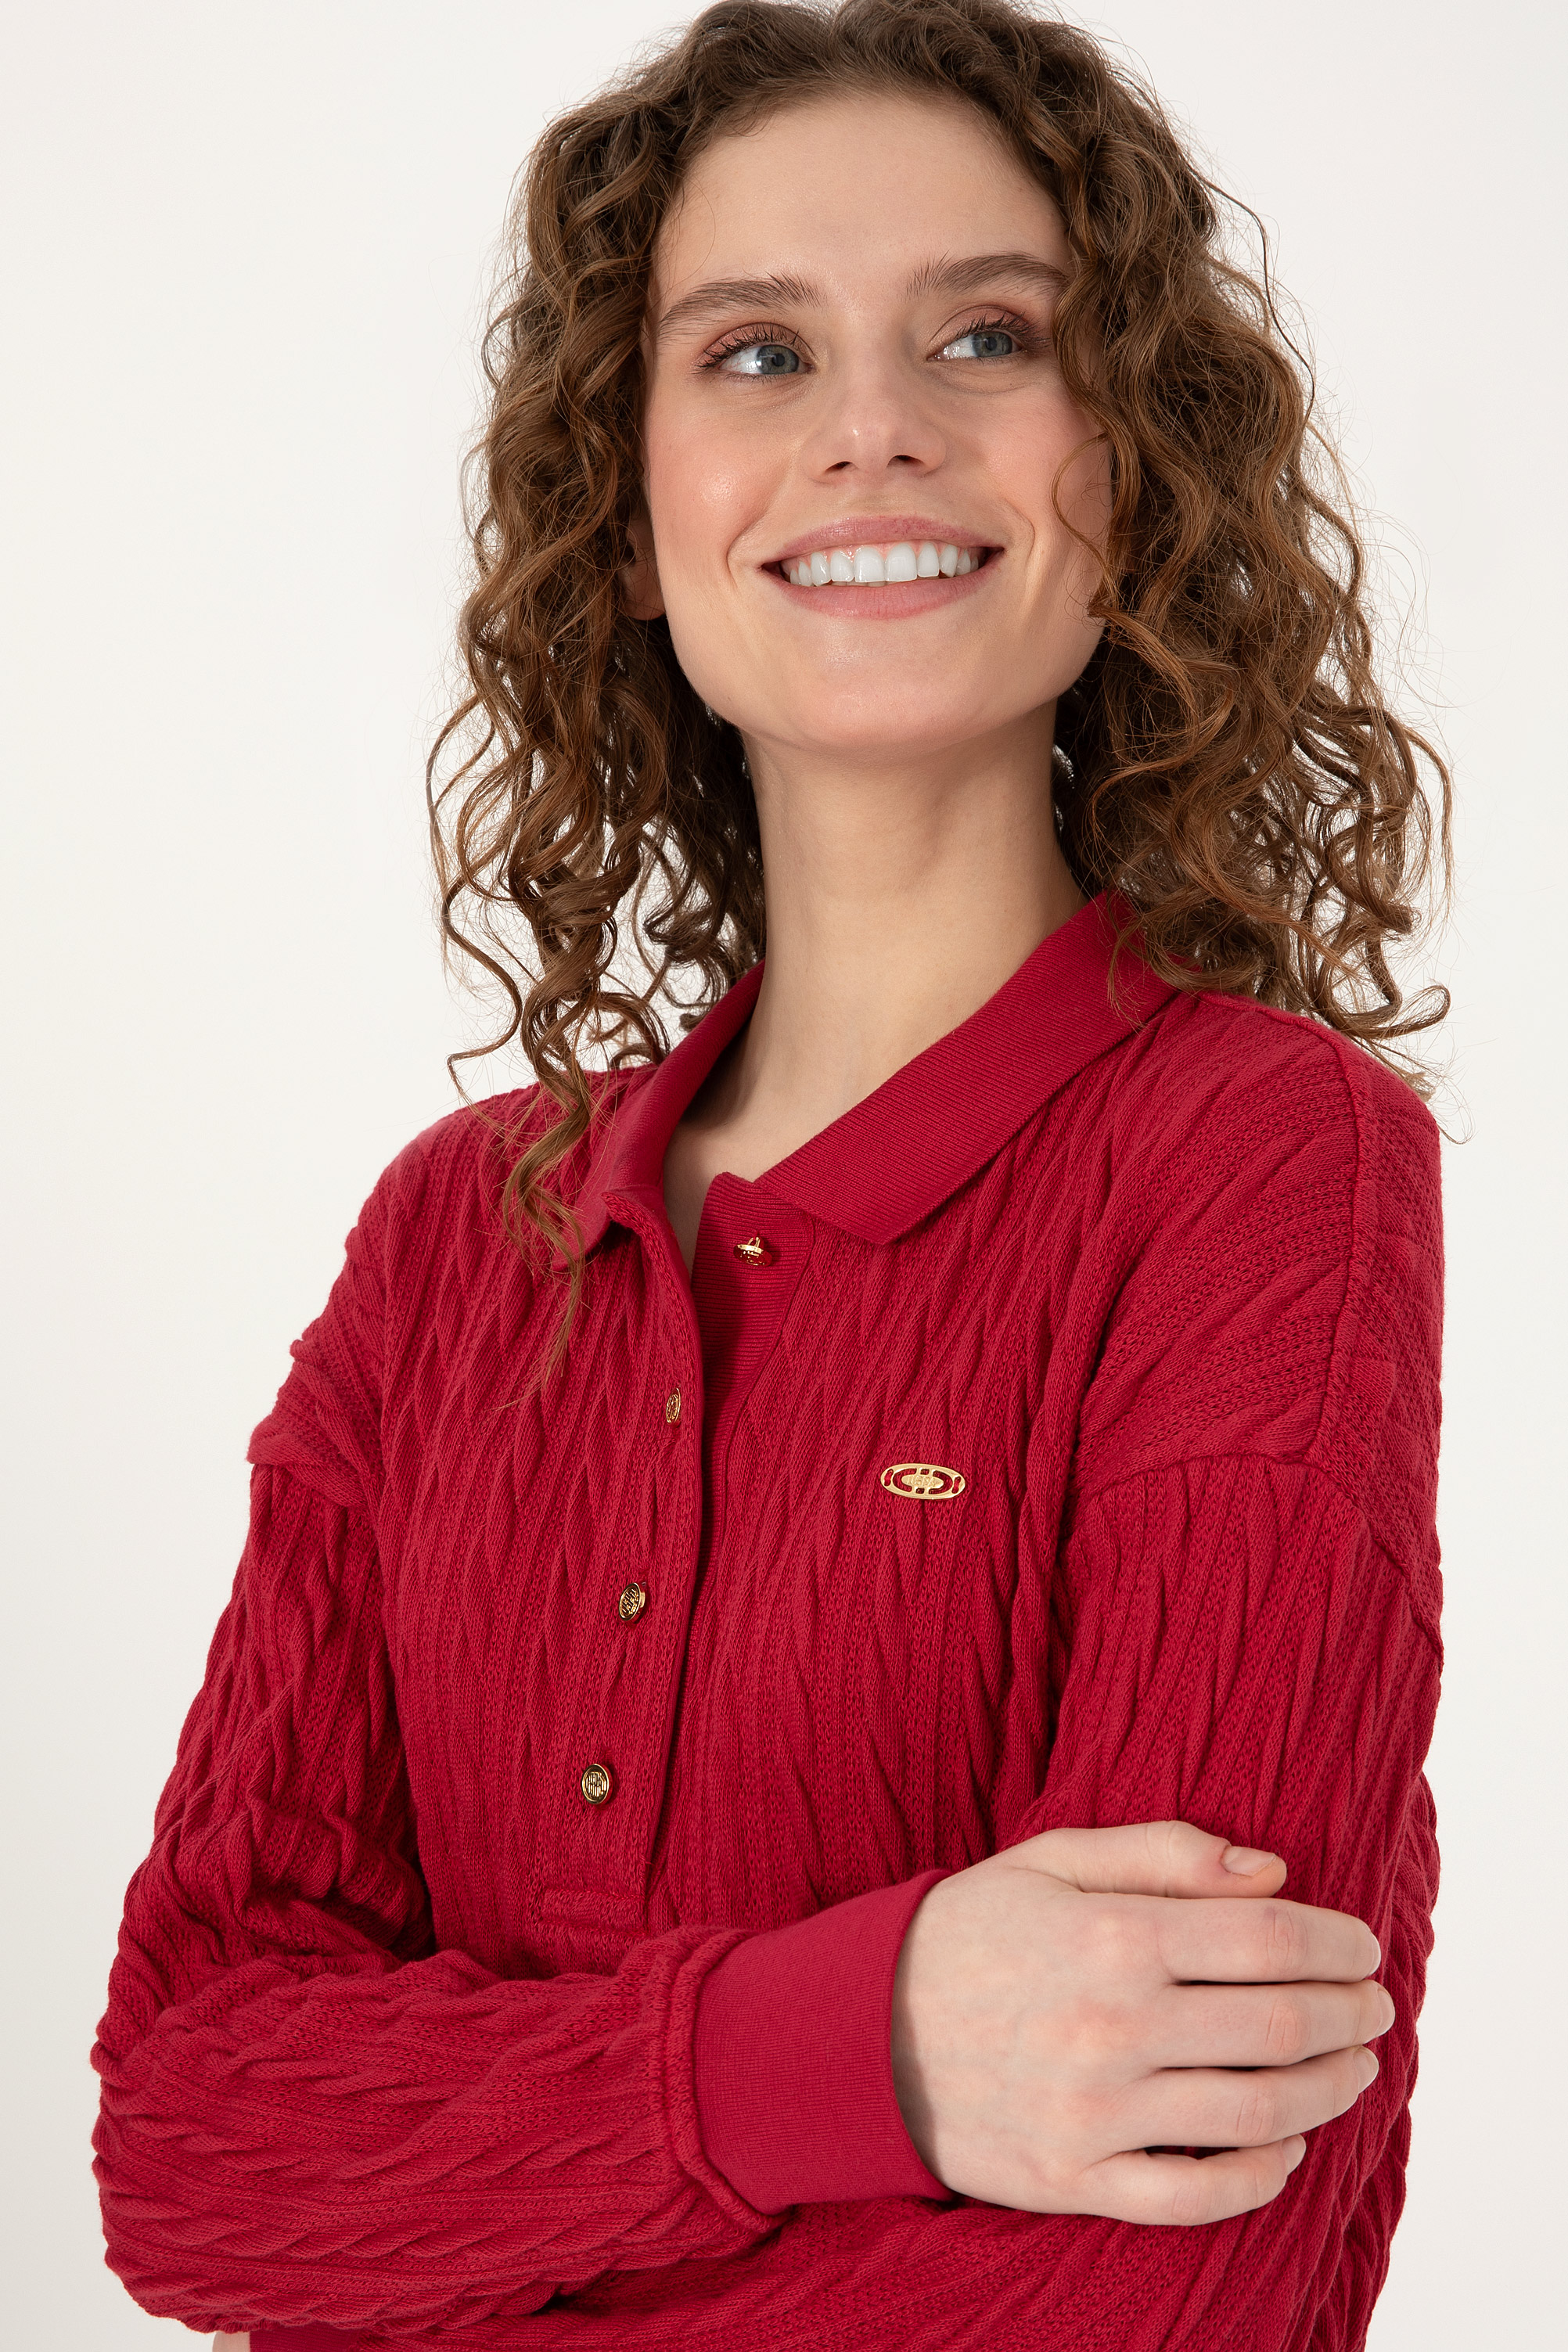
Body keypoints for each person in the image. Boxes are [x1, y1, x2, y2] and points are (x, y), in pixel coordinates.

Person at [92, 4, 1449, 2347]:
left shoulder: (1256, 1156)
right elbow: (191, 2148)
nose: (870, 426)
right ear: (626, 521)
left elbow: (1187, 2258)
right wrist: (872, 2043)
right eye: (752, 351)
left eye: (988, 334)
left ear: (1131, 467)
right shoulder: (453, 1235)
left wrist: (452, 2204)